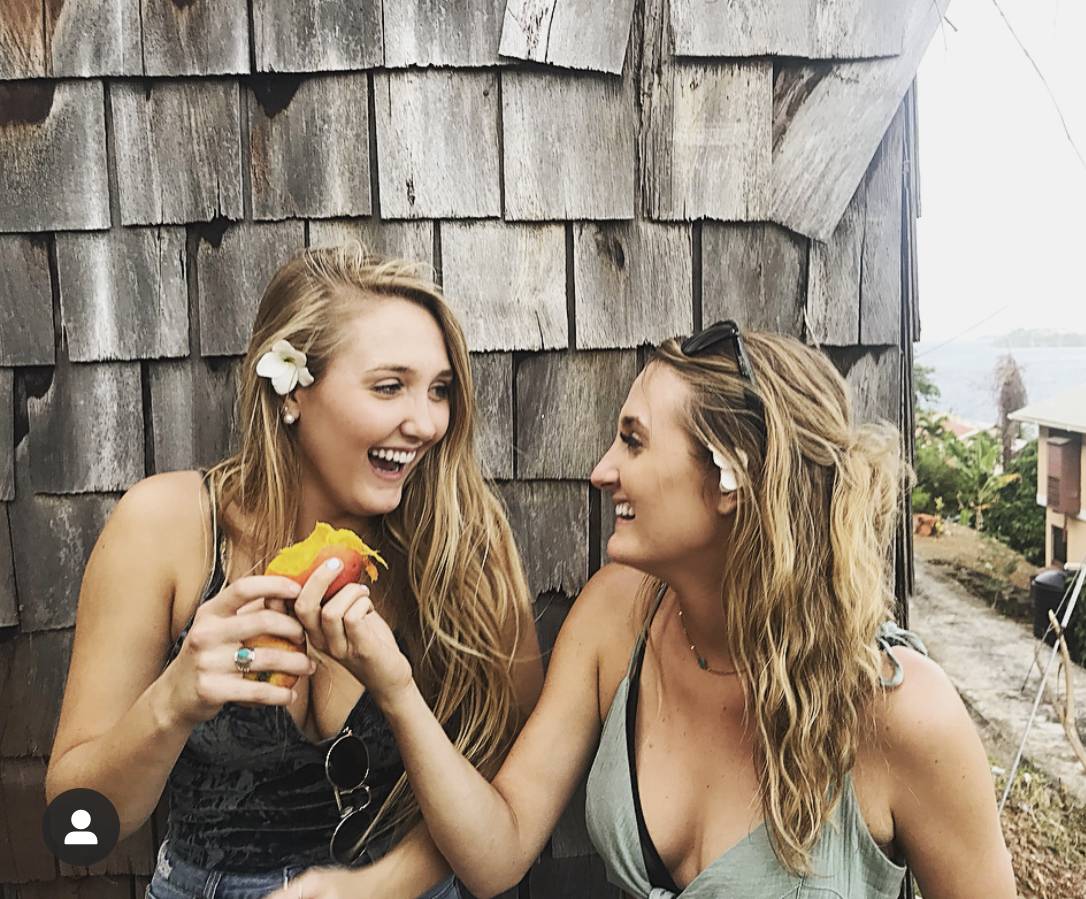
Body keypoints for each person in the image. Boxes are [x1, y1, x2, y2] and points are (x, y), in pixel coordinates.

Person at [285, 321, 1017, 899]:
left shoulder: (902, 711)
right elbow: (497, 851)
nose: (602, 470)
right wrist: (395, 687)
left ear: (732, 478)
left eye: (633, 440)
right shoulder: (617, 616)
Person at [46, 243, 543, 899]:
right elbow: (78, 832)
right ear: (291, 393)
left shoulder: (464, 541)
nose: (425, 422)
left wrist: (379, 885)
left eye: (440, 390)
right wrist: (171, 703)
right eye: (389, 385)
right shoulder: (167, 528)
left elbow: (508, 790)